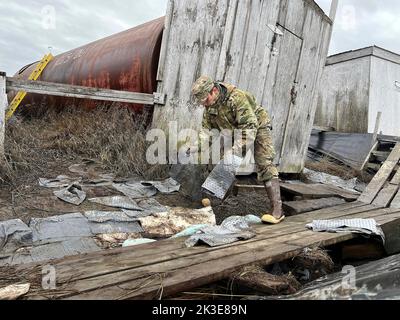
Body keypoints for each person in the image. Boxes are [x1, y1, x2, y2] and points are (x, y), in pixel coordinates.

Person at [191, 75, 285, 224]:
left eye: (206, 100)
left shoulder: (236, 98)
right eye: (202, 102)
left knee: (264, 162)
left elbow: (249, 129)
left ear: (214, 90)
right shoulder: (209, 107)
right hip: (234, 131)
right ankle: (217, 200)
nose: (204, 105)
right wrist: (195, 146)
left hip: (256, 127)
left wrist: (234, 150)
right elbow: (206, 131)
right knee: (224, 161)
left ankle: (277, 210)